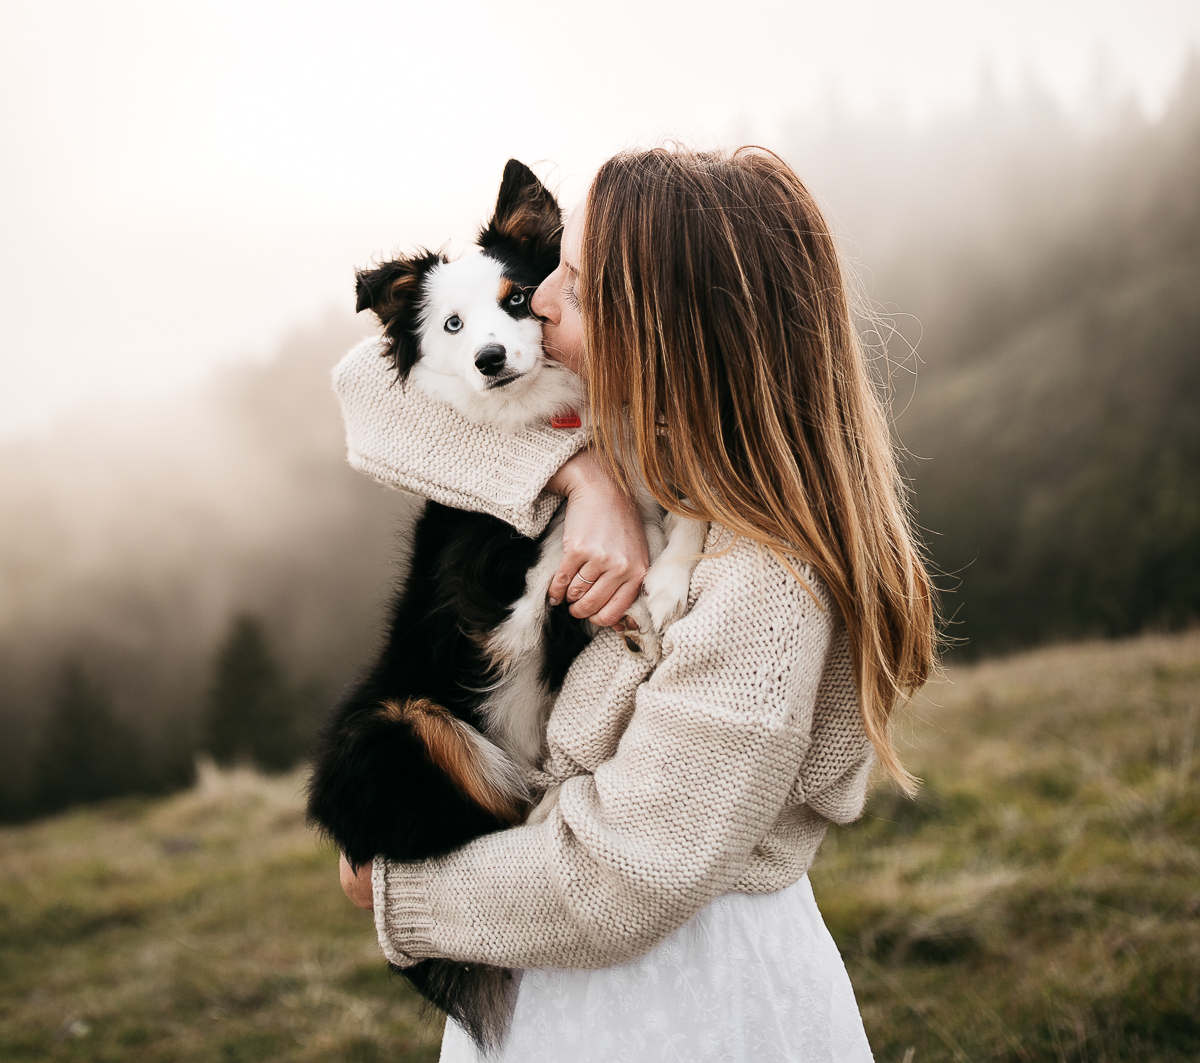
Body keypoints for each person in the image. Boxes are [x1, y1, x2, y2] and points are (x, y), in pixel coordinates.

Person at [335, 147, 936, 1062]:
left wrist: (394, 894)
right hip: (555, 984)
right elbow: (367, 384)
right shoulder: (641, 455)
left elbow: (618, 881)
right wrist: (578, 478)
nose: (533, 301)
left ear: (657, 336)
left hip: (680, 1008)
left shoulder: (762, 589)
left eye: (569, 290)